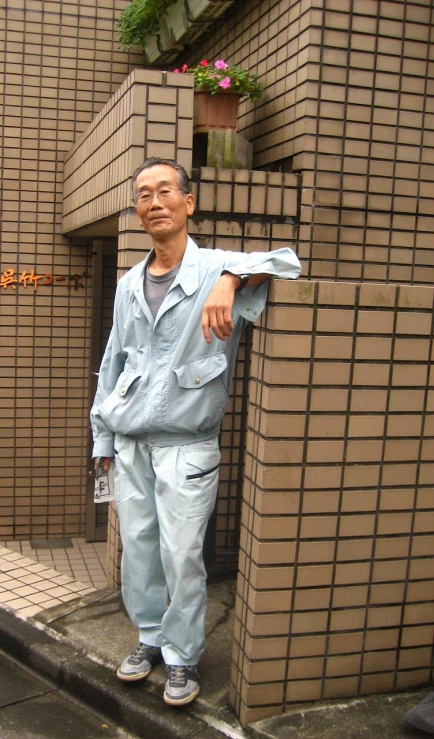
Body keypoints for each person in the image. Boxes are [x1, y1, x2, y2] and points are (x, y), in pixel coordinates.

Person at [90, 157, 301, 707]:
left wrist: (231, 280)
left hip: (187, 446)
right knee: (138, 552)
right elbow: (112, 362)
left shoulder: (213, 266)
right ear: (137, 210)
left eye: (165, 191)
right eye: (143, 194)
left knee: (182, 555)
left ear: (188, 202)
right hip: (131, 443)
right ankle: (150, 639)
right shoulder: (129, 283)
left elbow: (288, 262)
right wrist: (103, 441)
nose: (154, 201)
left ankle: (182, 657)